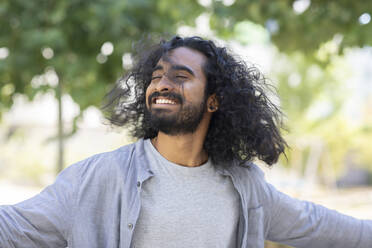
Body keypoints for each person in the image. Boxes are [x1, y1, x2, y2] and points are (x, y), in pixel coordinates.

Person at [0, 36, 371, 248]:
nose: (162, 84)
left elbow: (318, 226)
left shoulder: (246, 188)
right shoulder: (97, 178)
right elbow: (15, 227)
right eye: (157, 75)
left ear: (214, 99)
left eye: (180, 76)